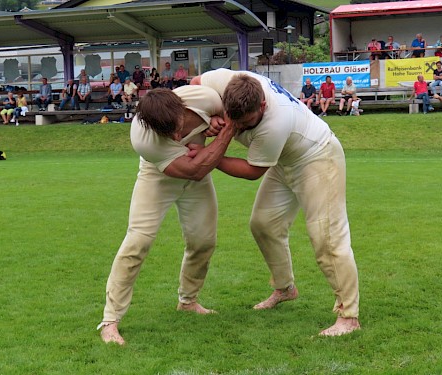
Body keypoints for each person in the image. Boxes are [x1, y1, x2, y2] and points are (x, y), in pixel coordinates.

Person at [191, 68, 361, 337]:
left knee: (327, 238)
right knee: (263, 224)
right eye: (234, 119)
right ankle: (285, 288)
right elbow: (195, 84)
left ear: (262, 105)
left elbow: (252, 171)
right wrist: (209, 116)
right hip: (286, 160)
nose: (239, 127)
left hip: (318, 158)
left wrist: (209, 157)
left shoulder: (274, 122)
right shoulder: (227, 81)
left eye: (246, 122)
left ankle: (348, 316)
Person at [97, 86, 236, 345]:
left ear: (181, 107)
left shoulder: (203, 98)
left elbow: (231, 111)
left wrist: (219, 120)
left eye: (177, 126)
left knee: (203, 241)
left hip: (198, 170)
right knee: (138, 241)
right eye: (167, 133)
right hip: (160, 176)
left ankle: (188, 301)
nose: (175, 135)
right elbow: (192, 169)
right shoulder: (144, 139)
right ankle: (110, 320)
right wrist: (224, 133)